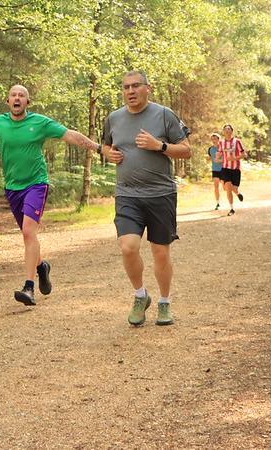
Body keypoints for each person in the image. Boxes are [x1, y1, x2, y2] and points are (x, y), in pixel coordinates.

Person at [0, 84, 101, 306]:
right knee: (30, 237)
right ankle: (41, 267)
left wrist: (97, 148)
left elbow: (70, 136)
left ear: (28, 102)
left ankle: (29, 288)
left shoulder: (40, 122)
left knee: (29, 232)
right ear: (8, 101)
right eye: (13, 95)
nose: (17, 98)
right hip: (13, 187)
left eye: (22, 95)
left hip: (36, 184)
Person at [101, 70, 191, 327]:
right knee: (128, 247)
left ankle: (164, 302)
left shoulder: (164, 115)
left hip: (160, 194)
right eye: (126, 87)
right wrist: (109, 154)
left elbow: (186, 151)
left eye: (136, 86)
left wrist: (159, 146)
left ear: (147, 88)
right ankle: (140, 295)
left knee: (160, 252)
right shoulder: (114, 118)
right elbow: (107, 145)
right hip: (127, 194)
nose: (130, 91)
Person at [219, 124, 246, 216]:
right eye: (225, 129)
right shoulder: (221, 143)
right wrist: (218, 156)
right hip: (225, 168)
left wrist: (234, 158)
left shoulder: (237, 141)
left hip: (235, 169)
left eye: (229, 129)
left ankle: (238, 193)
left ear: (231, 131)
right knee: (228, 188)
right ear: (223, 132)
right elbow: (220, 153)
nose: (227, 130)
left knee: (234, 188)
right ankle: (231, 208)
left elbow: (244, 155)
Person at [208, 133, 224, 208]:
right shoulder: (211, 149)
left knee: (225, 187)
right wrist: (214, 160)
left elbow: (226, 158)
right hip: (215, 170)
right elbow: (212, 159)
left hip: (223, 169)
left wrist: (220, 160)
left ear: (218, 139)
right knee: (216, 186)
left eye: (215, 139)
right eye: (212, 139)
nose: (214, 140)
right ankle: (218, 203)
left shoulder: (222, 148)